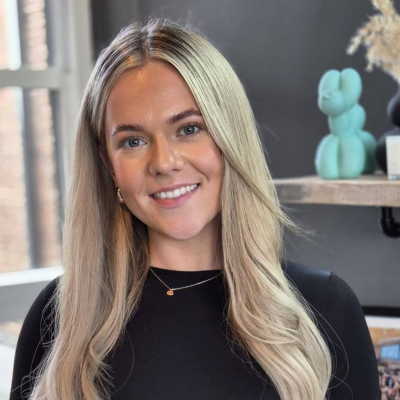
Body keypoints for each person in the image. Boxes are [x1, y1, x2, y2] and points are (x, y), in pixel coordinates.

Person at [9, 18, 380, 400]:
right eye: (133, 141)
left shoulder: (325, 308)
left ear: (229, 134)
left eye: (188, 129)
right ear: (108, 164)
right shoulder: (60, 318)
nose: (164, 163)